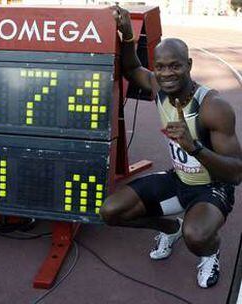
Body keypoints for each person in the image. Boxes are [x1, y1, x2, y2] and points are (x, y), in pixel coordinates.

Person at [99, 6, 242, 288]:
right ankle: (169, 227)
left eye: (175, 66)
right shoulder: (158, 86)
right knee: (110, 212)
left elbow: (236, 174)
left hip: (212, 186)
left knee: (197, 237)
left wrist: (195, 147)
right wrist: (128, 36)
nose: (167, 73)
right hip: (179, 180)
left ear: (188, 65)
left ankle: (210, 252)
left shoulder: (214, 108)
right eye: (161, 66)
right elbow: (131, 68)